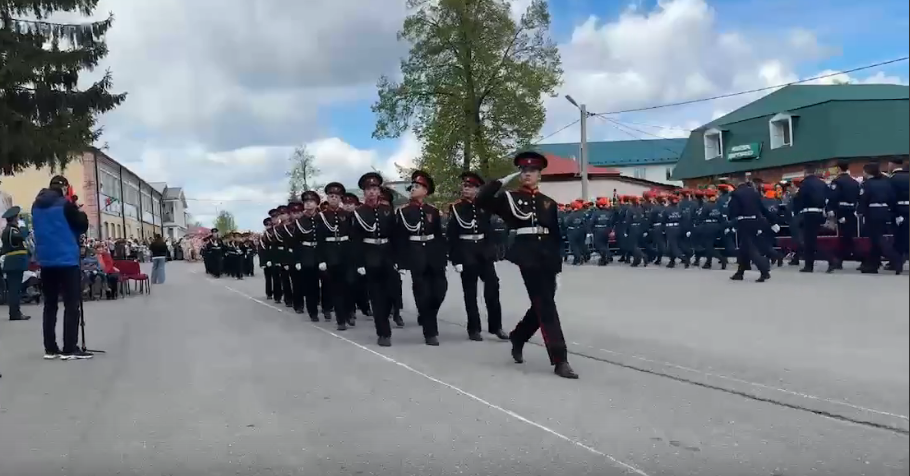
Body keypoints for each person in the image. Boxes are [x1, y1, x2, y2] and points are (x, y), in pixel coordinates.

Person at [475, 151, 578, 379]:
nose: (527, 174)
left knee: (542, 304)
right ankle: (560, 359)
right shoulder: (509, 198)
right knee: (546, 305)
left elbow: (555, 236)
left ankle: (519, 336)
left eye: (531, 171)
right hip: (527, 255)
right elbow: (481, 200)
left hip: (547, 257)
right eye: (523, 171)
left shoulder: (548, 203)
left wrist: (558, 267)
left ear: (539, 174)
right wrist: (500, 182)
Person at [31, 175, 92, 360]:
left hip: (46, 261)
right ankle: (69, 347)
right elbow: (81, 225)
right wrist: (78, 210)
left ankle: (50, 348)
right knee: (71, 305)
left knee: (50, 305)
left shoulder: (36, 206)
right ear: (65, 188)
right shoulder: (65, 205)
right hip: (66, 260)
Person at [446, 171, 507, 342]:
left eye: (470, 187)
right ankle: (474, 328)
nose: (466, 189)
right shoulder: (456, 208)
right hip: (466, 252)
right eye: (464, 186)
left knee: (493, 287)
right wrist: (455, 259)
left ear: (477, 189)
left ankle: (496, 326)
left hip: (483, 251)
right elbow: (452, 236)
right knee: (470, 291)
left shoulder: (484, 206)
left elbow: (488, 229)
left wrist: (493, 250)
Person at [396, 170, 448, 346]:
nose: (413, 189)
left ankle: (426, 315)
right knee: (422, 293)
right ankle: (430, 332)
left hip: (434, 255)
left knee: (440, 291)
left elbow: (439, 237)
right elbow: (400, 239)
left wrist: (443, 258)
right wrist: (401, 263)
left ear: (425, 191)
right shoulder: (403, 211)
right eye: (413, 186)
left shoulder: (432, 211)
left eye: (417, 186)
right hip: (415, 254)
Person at [351, 172, 398, 346]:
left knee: (391, 294)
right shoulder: (358, 213)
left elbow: (395, 236)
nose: (372, 192)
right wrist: (359, 263)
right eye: (368, 189)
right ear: (364, 192)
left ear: (379, 191)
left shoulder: (387, 210)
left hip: (387, 255)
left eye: (375, 188)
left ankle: (388, 317)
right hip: (370, 257)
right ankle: (383, 332)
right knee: (377, 297)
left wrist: (398, 259)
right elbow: (355, 241)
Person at [727, 179, 776, 282]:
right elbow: (762, 209)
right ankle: (740, 272)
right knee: (743, 249)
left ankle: (764, 271)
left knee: (750, 248)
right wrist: (773, 221)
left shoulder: (736, 194)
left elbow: (733, 210)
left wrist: (731, 222)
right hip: (755, 221)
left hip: (744, 222)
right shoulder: (754, 193)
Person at [2, 206, 32, 321]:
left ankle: (15, 312)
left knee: (15, 289)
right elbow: (20, 237)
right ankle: (15, 313)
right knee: (15, 290)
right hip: (14, 263)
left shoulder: (9, 229)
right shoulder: (12, 230)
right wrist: (23, 228)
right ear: (14, 218)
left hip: (14, 263)